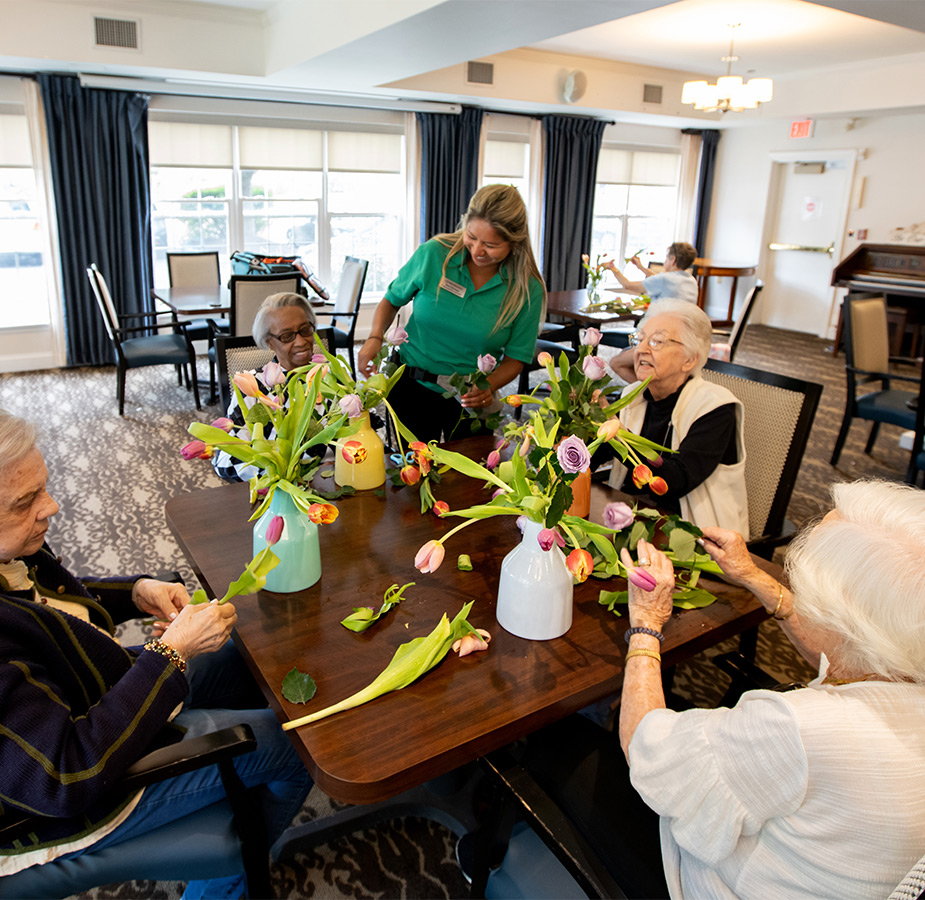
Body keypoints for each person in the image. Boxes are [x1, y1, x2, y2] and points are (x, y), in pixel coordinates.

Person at [0, 409, 312, 890]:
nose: (52, 506)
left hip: (96, 690)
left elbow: (48, 609)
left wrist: (135, 591)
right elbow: (65, 776)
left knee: (246, 655)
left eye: (44, 486)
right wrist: (170, 655)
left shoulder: (9, 550)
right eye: (25, 501)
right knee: (300, 746)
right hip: (79, 790)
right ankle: (232, 873)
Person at [616, 479, 925, 899]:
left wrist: (645, 624)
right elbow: (840, 653)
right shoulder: (900, 663)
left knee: (573, 752)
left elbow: (646, 748)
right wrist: (751, 575)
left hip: (714, 883)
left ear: (841, 622)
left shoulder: (797, 729)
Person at [356, 184, 546, 442]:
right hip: (412, 385)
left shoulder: (526, 288)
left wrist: (488, 386)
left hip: (470, 397)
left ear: (514, 242)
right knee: (413, 473)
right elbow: (391, 300)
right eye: (472, 236)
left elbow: (515, 358)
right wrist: (375, 337)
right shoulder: (434, 253)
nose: (477, 250)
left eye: (490, 244)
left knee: (467, 479)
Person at [606, 299, 748, 536]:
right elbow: (596, 454)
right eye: (639, 339)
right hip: (631, 519)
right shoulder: (633, 395)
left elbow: (674, 481)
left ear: (690, 359)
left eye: (657, 341)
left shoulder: (716, 407)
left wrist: (615, 433)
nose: (641, 349)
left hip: (696, 536)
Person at [213, 291, 319, 482]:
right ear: (269, 342)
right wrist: (279, 472)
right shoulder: (254, 387)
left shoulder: (333, 376)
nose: (302, 341)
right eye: (287, 336)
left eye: (305, 330)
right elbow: (225, 461)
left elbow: (375, 430)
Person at [605, 241, 698, 303]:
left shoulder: (664, 280)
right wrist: (641, 267)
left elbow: (627, 285)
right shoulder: (691, 280)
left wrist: (613, 268)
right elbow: (659, 280)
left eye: (666, 257)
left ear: (673, 260)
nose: (665, 260)